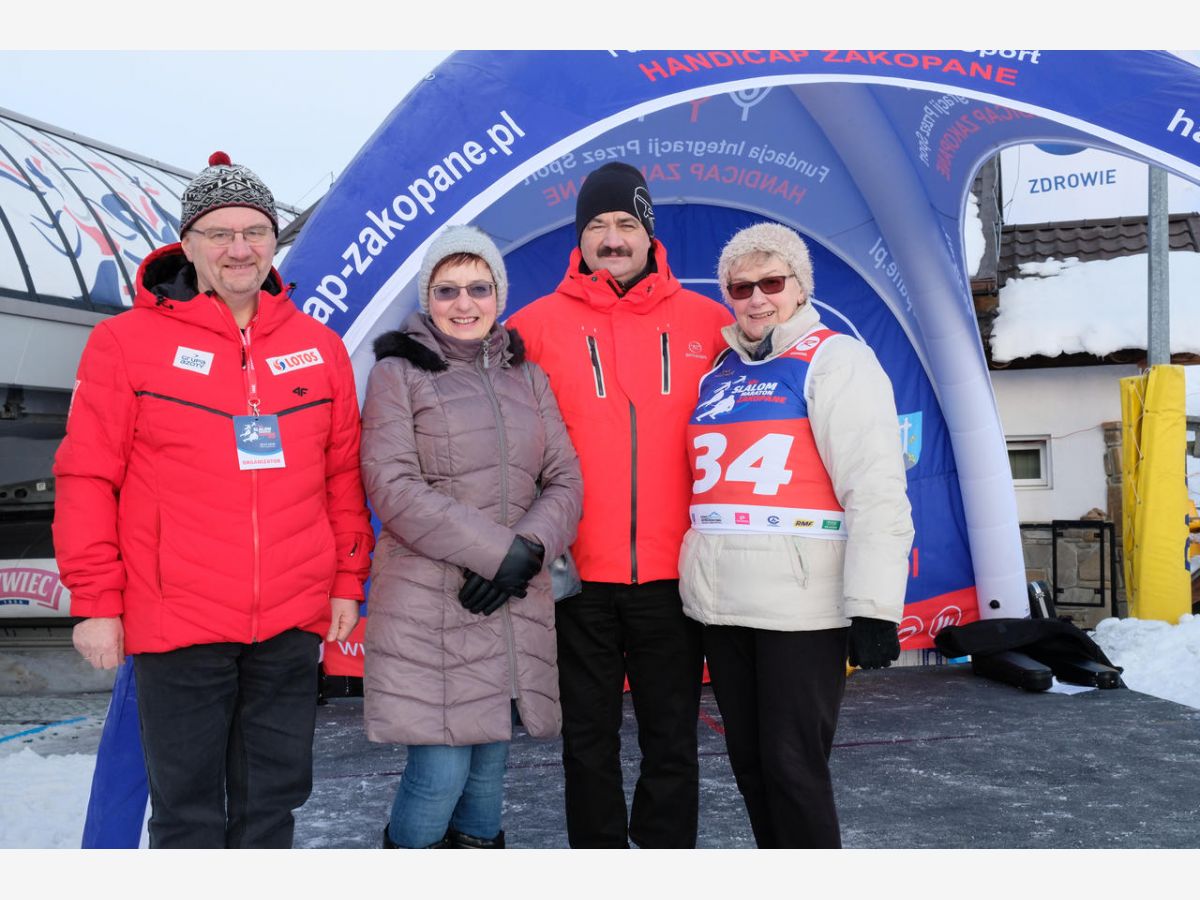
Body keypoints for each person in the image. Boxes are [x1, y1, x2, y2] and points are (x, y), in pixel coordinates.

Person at [53, 152, 374, 849]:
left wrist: (347, 581)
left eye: (255, 232)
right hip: (178, 622)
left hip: (289, 620)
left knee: (271, 807)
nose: (239, 248)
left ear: (273, 242)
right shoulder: (124, 344)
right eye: (220, 233)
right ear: (188, 244)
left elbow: (342, 477)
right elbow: (87, 478)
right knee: (188, 814)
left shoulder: (317, 349)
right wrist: (97, 602)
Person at [506, 162, 733, 848]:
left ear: (649, 234)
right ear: (579, 238)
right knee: (587, 740)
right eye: (598, 225)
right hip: (577, 578)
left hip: (673, 576)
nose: (612, 238)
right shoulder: (532, 327)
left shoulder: (709, 322)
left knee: (673, 740)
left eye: (626, 224)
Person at [678, 221, 914, 848]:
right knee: (752, 768)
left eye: (772, 283)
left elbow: (876, 489)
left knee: (793, 769)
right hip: (723, 607)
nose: (756, 298)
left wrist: (874, 608)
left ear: (801, 287)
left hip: (801, 610)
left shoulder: (837, 360)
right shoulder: (719, 372)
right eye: (741, 287)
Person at [359, 225, 582, 849]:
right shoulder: (398, 374)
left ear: (499, 296)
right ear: (427, 298)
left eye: (479, 288)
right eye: (447, 289)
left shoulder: (526, 376)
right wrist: (499, 554)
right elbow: (392, 485)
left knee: (487, 775)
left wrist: (528, 551)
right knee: (439, 774)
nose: (464, 303)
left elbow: (565, 478)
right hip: (433, 601)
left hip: (510, 600)